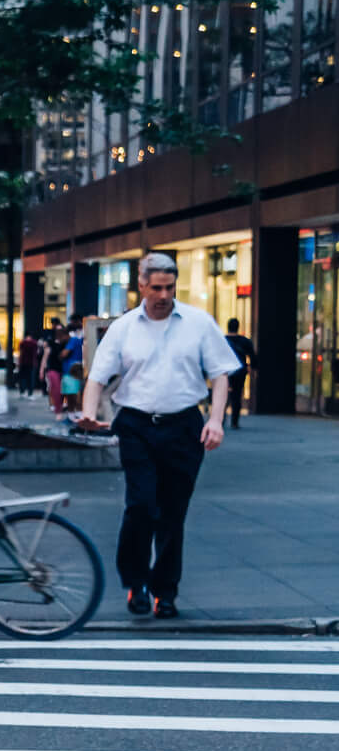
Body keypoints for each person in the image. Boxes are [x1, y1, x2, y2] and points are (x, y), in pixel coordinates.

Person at [76, 252, 240, 620]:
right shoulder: (124, 328)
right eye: (156, 288)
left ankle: (165, 592)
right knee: (141, 506)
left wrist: (215, 421)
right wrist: (89, 413)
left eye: (169, 287)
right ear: (141, 285)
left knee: (172, 513)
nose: (163, 295)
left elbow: (220, 375)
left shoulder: (198, 323)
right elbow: (98, 377)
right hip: (135, 424)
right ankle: (135, 581)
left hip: (184, 426)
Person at [224, 318, 257, 428]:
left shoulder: (222, 340)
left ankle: (220, 419)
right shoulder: (245, 341)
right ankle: (234, 422)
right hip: (240, 371)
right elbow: (252, 356)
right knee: (236, 396)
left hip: (225, 371)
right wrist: (252, 369)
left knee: (223, 395)